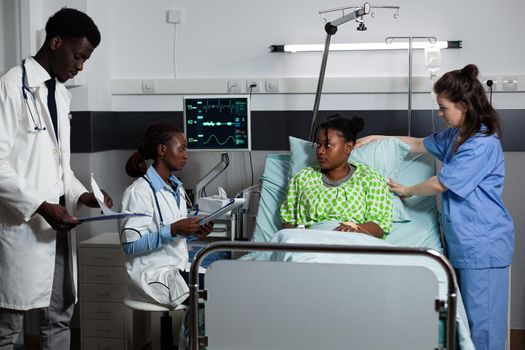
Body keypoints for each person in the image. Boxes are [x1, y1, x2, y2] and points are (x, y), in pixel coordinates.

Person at [357, 64, 514, 350]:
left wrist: (407, 191)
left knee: (483, 328)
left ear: (463, 106)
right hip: (464, 243)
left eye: (443, 108)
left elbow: (440, 184)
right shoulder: (457, 135)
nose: (440, 114)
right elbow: (417, 144)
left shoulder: (481, 143)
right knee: (466, 324)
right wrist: (376, 139)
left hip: (483, 243)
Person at [0, 7, 113, 350]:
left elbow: (60, 166)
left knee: (60, 316)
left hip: (59, 227)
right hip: (23, 226)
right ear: (55, 42)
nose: (79, 66)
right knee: (9, 327)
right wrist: (41, 206)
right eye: (78, 56)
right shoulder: (9, 87)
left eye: (85, 60)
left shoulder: (59, 94)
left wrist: (82, 195)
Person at [120, 123, 214, 307]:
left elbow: (173, 230)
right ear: (162, 149)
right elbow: (130, 246)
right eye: (181, 149)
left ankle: (193, 336)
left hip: (177, 269)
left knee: (226, 282)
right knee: (219, 294)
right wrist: (174, 229)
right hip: (152, 274)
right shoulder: (139, 192)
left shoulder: (175, 187)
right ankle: (194, 336)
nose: (186, 155)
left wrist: (196, 231)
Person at [280, 115, 393, 238]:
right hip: (310, 243)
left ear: (348, 147)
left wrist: (354, 229)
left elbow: (380, 225)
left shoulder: (370, 179)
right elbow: (288, 225)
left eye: (328, 146)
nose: (320, 151)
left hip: (354, 241)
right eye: (318, 145)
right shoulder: (302, 179)